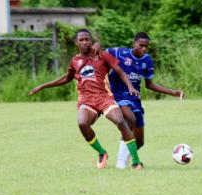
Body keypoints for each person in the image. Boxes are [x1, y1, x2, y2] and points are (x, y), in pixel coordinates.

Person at [28, 29, 144, 170]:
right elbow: (66, 78)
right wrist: (42, 86)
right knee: (82, 123)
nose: (84, 42)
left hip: (104, 97)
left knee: (121, 121)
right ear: (76, 43)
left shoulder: (102, 55)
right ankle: (102, 152)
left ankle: (136, 162)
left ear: (91, 41)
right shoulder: (75, 61)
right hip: (87, 100)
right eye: (81, 40)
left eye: (87, 39)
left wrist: (130, 86)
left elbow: (120, 71)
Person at [94, 32, 184, 169]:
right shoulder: (120, 53)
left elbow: (150, 85)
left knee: (140, 141)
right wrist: (96, 45)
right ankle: (121, 163)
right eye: (141, 45)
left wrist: (173, 92)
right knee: (130, 119)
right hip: (117, 94)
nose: (143, 49)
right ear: (133, 43)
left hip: (134, 97)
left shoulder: (147, 61)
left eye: (146, 46)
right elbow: (100, 50)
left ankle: (128, 158)